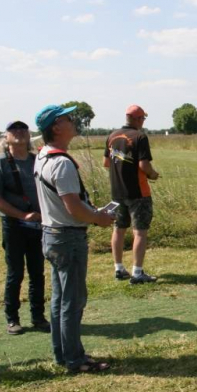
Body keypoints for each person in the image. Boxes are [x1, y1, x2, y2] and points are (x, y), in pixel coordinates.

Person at [34, 104, 115, 373]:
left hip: (52, 235)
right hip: (68, 238)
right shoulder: (62, 163)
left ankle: (63, 354)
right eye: (68, 118)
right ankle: (75, 360)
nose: (73, 121)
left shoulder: (43, 156)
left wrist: (91, 211)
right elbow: (74, 208)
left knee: (60, 299)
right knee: (73, 300)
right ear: (56, 127)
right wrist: (98, 218)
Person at [0, 121, 49, 335]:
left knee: (38, 272)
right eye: (14, 130)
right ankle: (12, 319)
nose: (19, 133)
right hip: (14, 226)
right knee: (15, 273)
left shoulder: (35, 160)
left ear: (29, 136)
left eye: (23, 130)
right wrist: (22, 215)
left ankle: (38, 317)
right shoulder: (0, 162)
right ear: (6, 137)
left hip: (37, 226)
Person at [104, 104, 160, 285]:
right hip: (138, 192)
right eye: (143, 118)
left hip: (117, 192)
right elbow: (144, 166)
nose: (143, 122)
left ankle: (119, 268)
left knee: (119, 229)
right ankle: (137, 272)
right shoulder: (140, 137)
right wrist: (153, 175)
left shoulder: (112, 136)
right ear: (137, 119)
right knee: (140, 232)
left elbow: (106, 162)